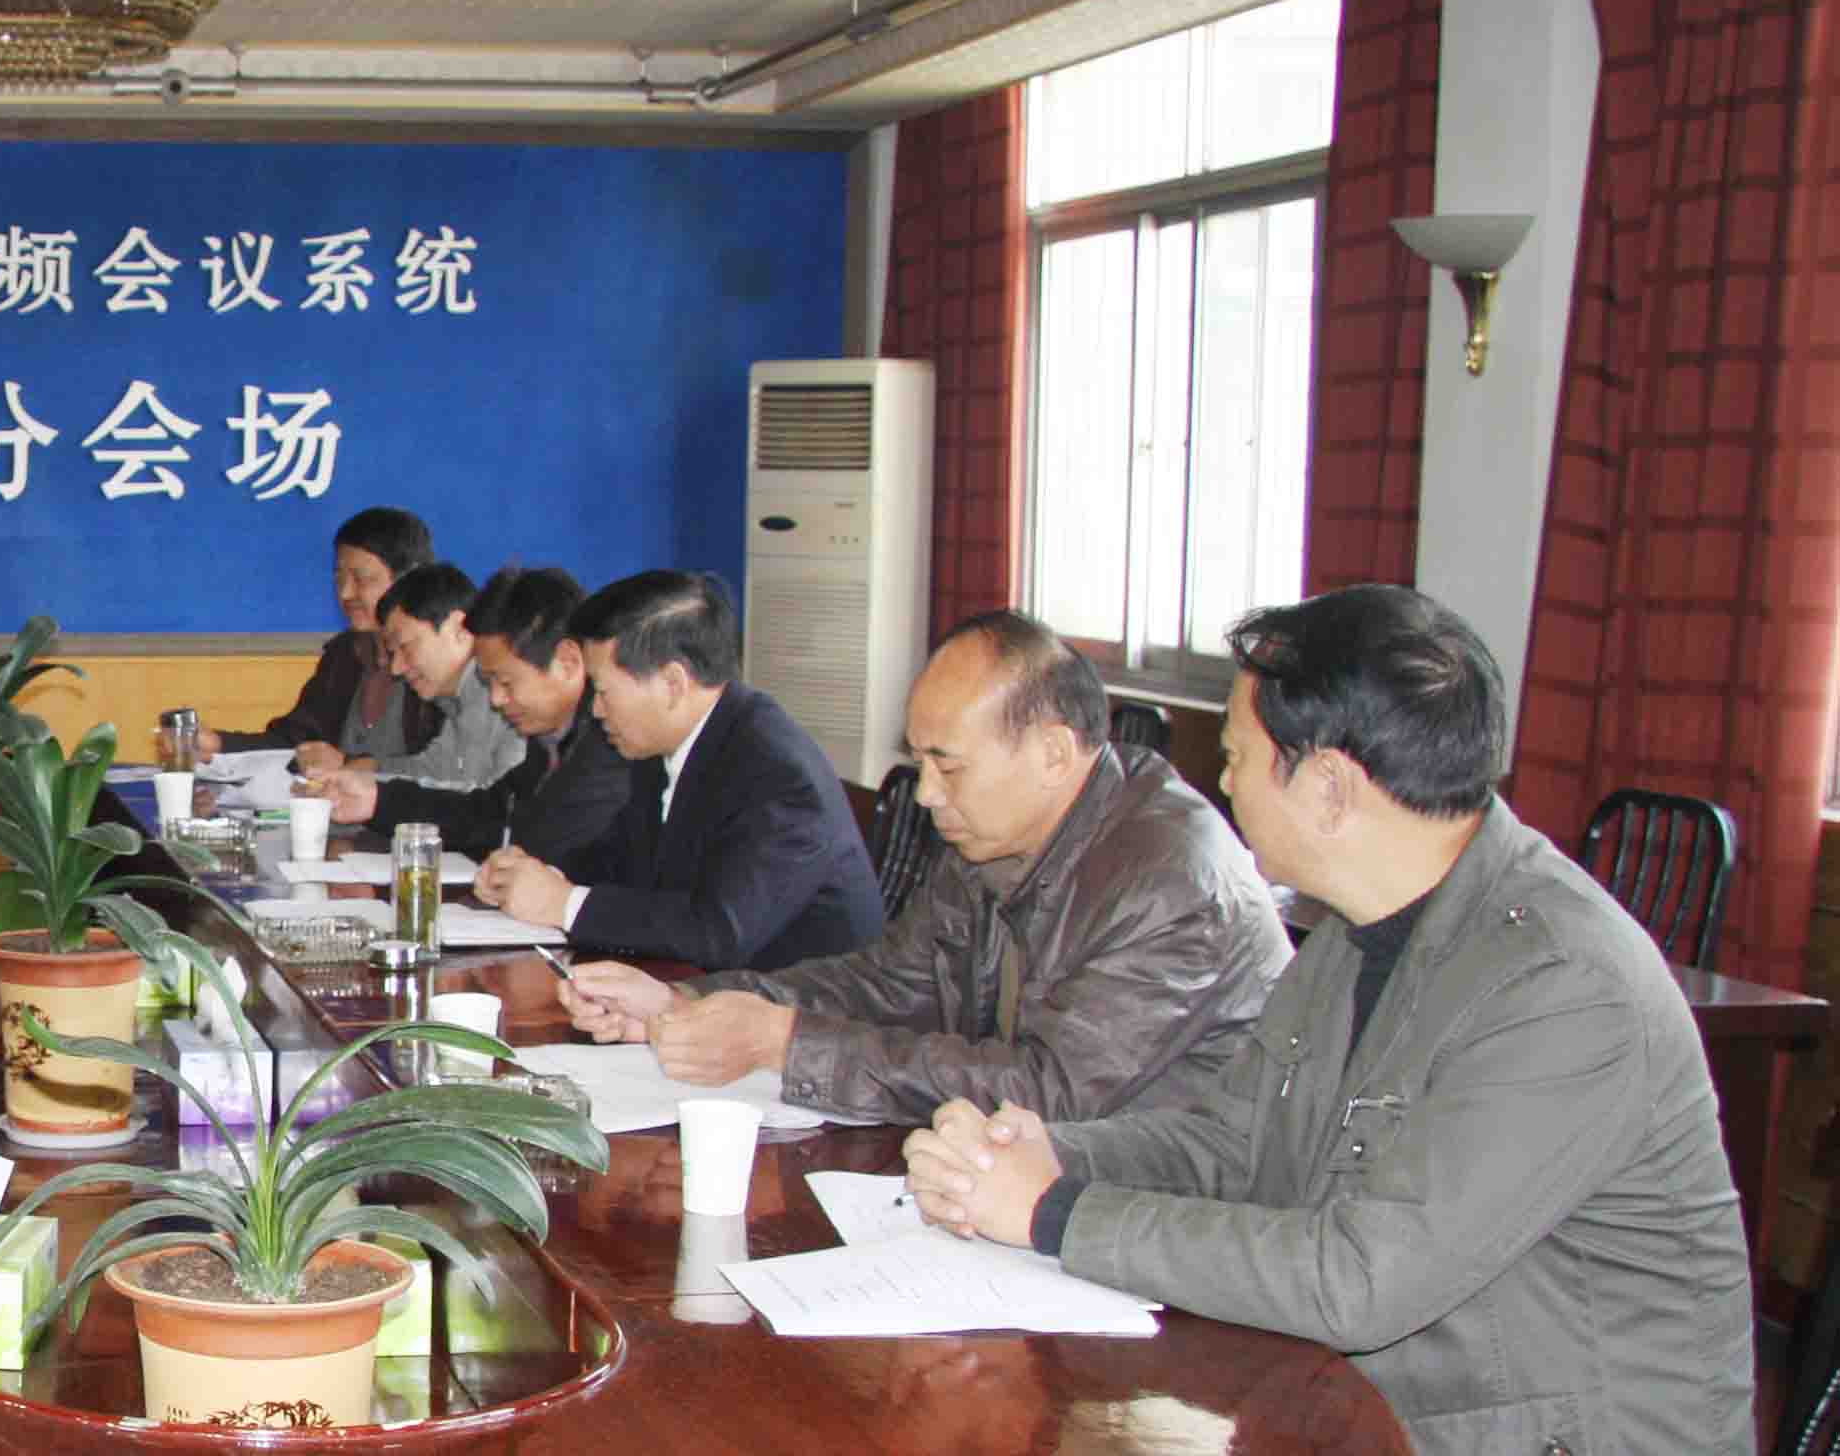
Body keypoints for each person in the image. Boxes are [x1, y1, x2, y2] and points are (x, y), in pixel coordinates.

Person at [902, 585, 1753, 1455]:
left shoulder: (1564, 988)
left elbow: (1359, 1279)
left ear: (1330, 787)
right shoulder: (1356, 932)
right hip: (1374, 1407)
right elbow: (1232, 1147)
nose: (1223, 783)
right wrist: (1055, 1153)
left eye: (1235, 756)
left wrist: (1054, 1213)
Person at [557, 610, 1289, 1121]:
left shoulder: (1167, 879)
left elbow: (1054, 1092)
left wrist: (784, 1042)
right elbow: (889, 983)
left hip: (1166, 1219)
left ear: (1053, 753)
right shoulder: (990, 835)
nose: (928, 794)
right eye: (920, 761)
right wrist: (691, 1005)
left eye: (949, 765)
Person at [475, 570, 878, 971]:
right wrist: (535, 876)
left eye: (603, 690)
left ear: (672, 684)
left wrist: (565, 904)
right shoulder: (664, 745)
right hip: (702, 985)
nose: (595, 710)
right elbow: (621, 863)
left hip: (797, 999)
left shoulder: (778, 773)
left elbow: (719, 930)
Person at [309, 565, 630, 864]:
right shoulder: (549, 741)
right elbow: (487, 812)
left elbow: (533, 842)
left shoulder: (611, 743)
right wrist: (376, 799)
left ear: (568, 663)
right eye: (489, 683)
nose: (496, 699)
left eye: (506, 682)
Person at [199, 506, 446, 776]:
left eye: (361, 578)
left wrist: (348, 764)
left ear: (408, 578)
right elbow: (295, 743)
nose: (345, 593)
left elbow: (446, 769)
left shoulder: (440, 662)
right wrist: (217, 744)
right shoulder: (345, 654)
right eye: (339, 578)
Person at [355, 561, 525, 790]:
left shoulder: (507, 696)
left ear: (458, 628)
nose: (396, 668)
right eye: (393, 653)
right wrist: (364, 771)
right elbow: (432, 770)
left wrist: (374, 790)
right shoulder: (458, 697)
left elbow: (501, 802)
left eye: (405, 646)